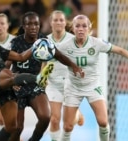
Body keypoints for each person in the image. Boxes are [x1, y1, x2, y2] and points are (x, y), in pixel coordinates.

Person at [57, 14, 128, 141]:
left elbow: (121, 51)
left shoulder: (96, 43)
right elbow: (52, 55)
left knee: (103, 122)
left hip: (93, 86)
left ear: (89, 28)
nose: (81, 29)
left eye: (84, 26)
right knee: (67, 127)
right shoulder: (65, 46)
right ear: (73, 29)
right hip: (73, 87)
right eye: (77, 26)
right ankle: (76, 116)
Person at [7, 11, 52, 141]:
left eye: (36, 24)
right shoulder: (15, 42)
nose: (33, 27)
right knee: (17, 128)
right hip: (17, 85)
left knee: (45, 117)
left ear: (40, 25)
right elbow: (6, 66)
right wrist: (11, 81)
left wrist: (44, 76)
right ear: (24, 26)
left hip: (34, 84)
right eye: (29, 24)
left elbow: (46, 62)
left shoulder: (44, 41)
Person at [45, 10, 84, 141]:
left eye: (61, 20)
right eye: (55, 20)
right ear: (51, 23)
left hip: (70, 83)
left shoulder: (72, 40)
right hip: (53, 83)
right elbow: (43, 61)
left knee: (69, 123)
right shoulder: (45, 41)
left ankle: (77, 115)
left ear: (65, 22)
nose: (58, 22)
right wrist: (42, 76)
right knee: (55, 119)